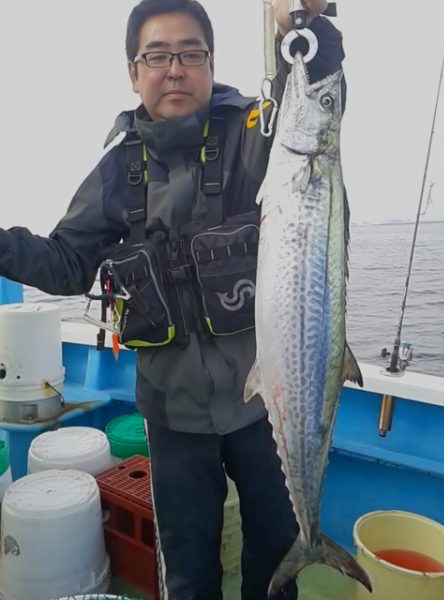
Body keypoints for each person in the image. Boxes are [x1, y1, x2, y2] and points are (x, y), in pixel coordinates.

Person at [0, 1, 345, 598]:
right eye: (157, 56)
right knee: (187, 571)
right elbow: (65, 261)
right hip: (172, 414)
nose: (175, 69)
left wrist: (310, 30)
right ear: (134, 73)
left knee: (274, 557)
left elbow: (312, 106)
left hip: (263, 407)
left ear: (212, 64)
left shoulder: (253, 133)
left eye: (191, 54)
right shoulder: (115, 174)